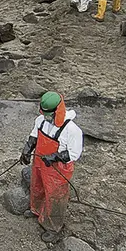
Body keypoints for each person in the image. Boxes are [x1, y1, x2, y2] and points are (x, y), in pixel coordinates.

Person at [19, 91, 83, 241]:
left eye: (49, 115)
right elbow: (35, 134)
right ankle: (36, 210)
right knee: (37, 185)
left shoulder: (72, 130)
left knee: (55, 196)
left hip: (57, 168)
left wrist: (55, 157)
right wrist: (28, 149)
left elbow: (74, 153)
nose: (46, 118)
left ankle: (53, 227)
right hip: (40, 162)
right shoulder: (41, 120)